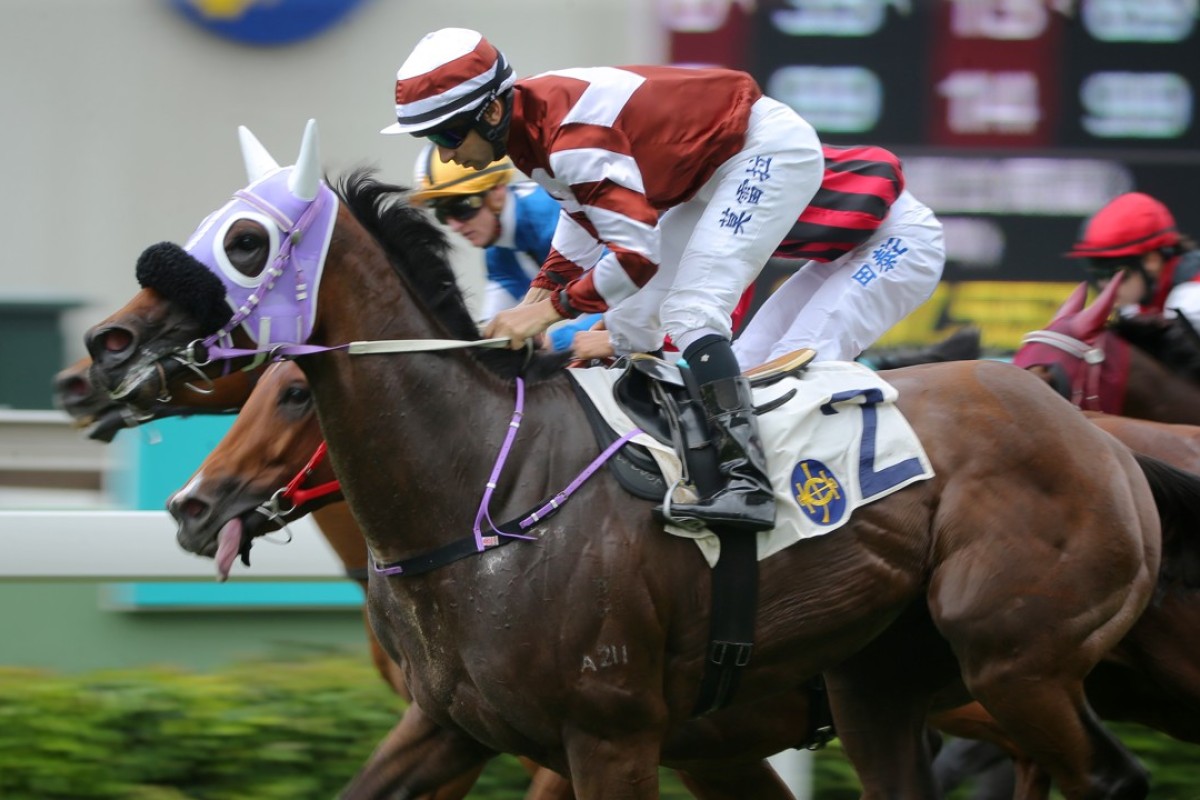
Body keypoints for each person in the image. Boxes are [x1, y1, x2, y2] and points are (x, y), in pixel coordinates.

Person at [381, 28, 938, 532]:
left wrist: (549, 313)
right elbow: (580, 231)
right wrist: (536, 300)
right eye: (432, 138)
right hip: (721, 167)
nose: (447, 154)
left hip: (771, 158)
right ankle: (711, 467)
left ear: (494, 110)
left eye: (449, 133)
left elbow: (635, 257)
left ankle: (754, 487)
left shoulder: (570, 137)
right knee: (684, 343)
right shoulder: (535, 132)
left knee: (699, 316)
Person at [409, 143, 601, 341]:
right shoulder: (496, 253)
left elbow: (621, 294)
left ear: (497, 192)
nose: (454, 225)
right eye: (442, 214)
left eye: (460, 208)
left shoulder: (547, 219)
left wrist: (560, 342)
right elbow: (493, 327)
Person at [1066, 191, 1200, 325]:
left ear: (1152, 261)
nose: (1105, 285)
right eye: (1099, 274)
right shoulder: (1135, 305)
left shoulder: (1191, 302)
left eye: (1116, 273)